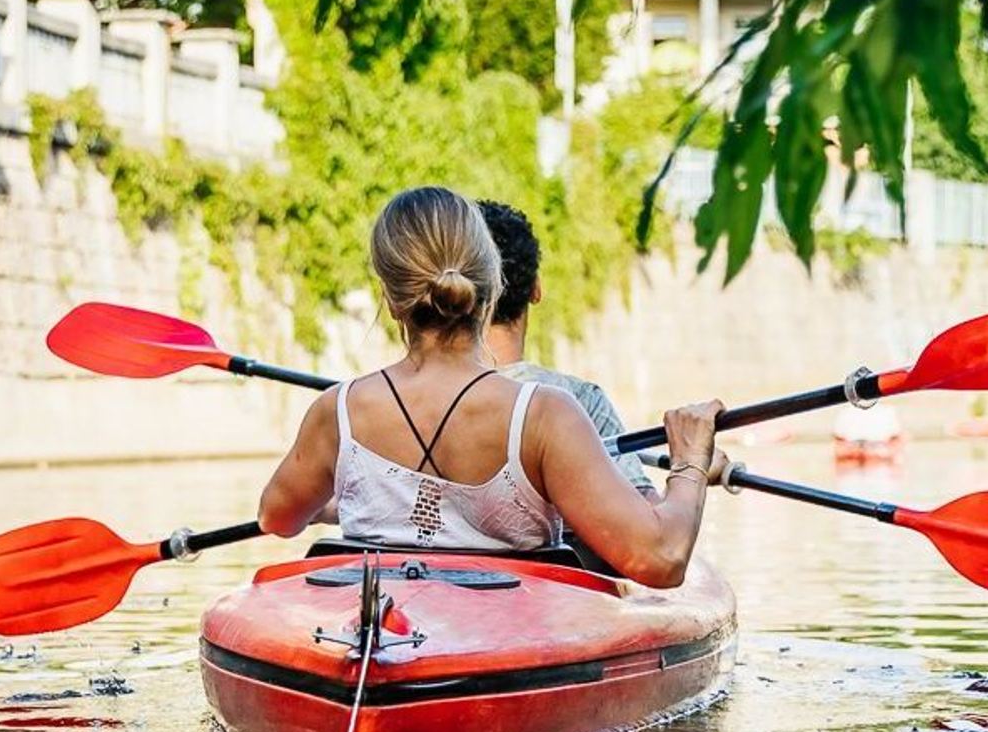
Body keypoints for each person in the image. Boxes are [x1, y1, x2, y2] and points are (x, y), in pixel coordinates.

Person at [258, 185, 724, 588]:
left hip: (378, 636)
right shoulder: (545, 416)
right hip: (506, 654)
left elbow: (277, 518)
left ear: (390, 298)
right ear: (493, 285)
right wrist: (690, 464)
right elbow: (660, 559)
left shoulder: (337, 410)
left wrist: (340, 496)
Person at [476, 199, 653, 495]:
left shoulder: (408, 404)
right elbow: (655, 532)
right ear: (536, 289)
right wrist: (692, 465)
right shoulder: (580, 403)